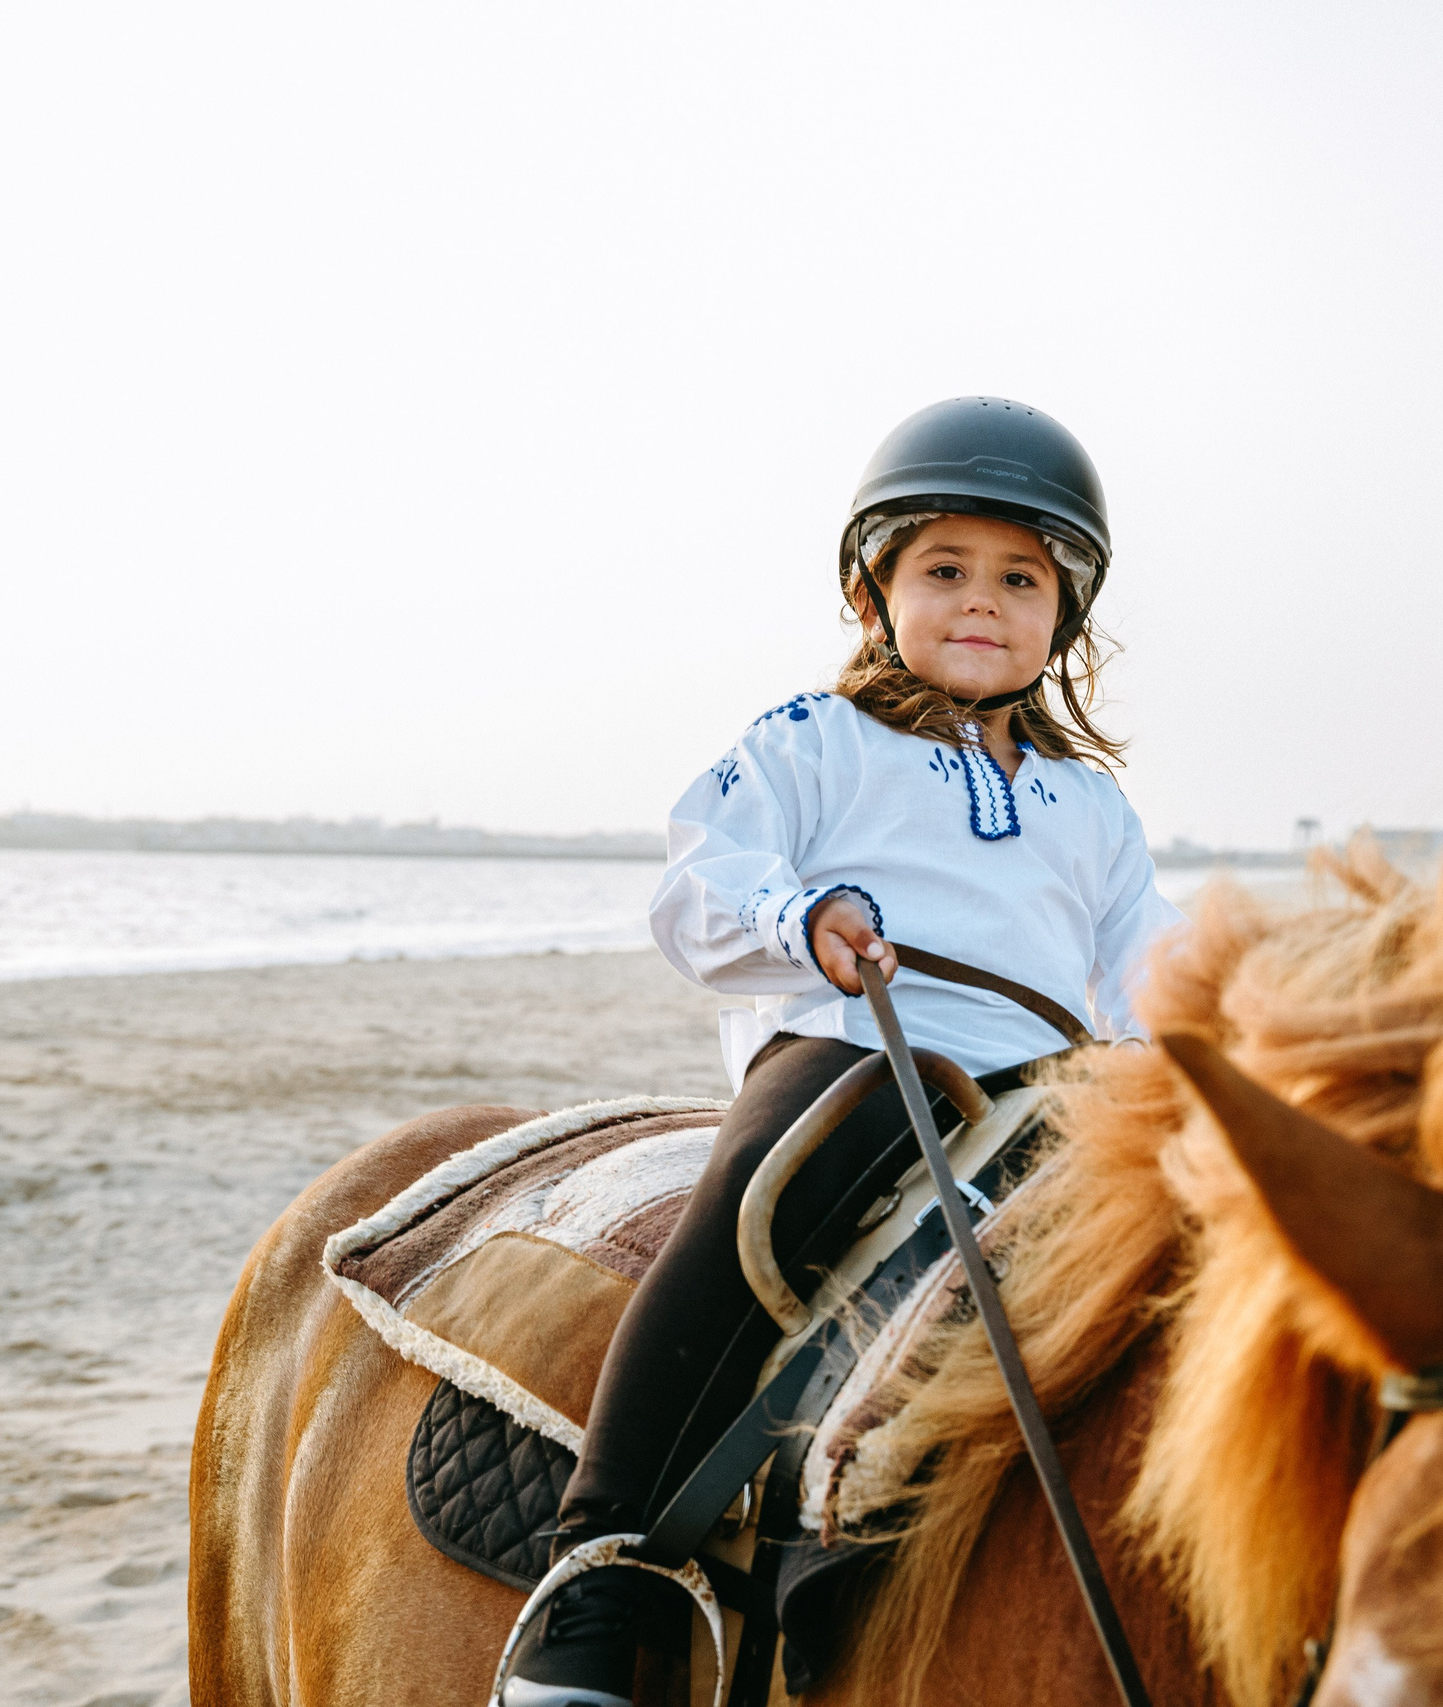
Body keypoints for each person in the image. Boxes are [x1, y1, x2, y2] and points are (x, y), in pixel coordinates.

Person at [503, 398, 1183, 1706]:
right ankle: (593, 1562)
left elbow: (1143, 960)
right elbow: (704, 883)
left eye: (1019, 578)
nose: (980, 602)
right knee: (760, 1210)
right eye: (944, 570)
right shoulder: (815, 741)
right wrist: (803, 919)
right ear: (875, 594)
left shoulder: (1091, 802)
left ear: (1063, 616)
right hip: (855, 1045)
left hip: (1049, 1079)